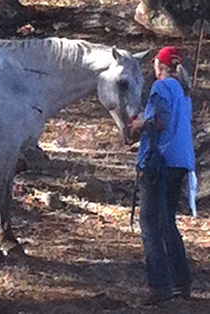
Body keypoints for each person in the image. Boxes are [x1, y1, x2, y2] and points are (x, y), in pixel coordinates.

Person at [130, 46, 195, 304]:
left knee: (151, 225)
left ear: (160, 65)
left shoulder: (161, 88)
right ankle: (182, 283)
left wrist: (137, 125)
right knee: (167, 222)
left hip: (160, 162)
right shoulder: (184, 92)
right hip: (180, 162)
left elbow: (160, 122)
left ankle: (160, 286)